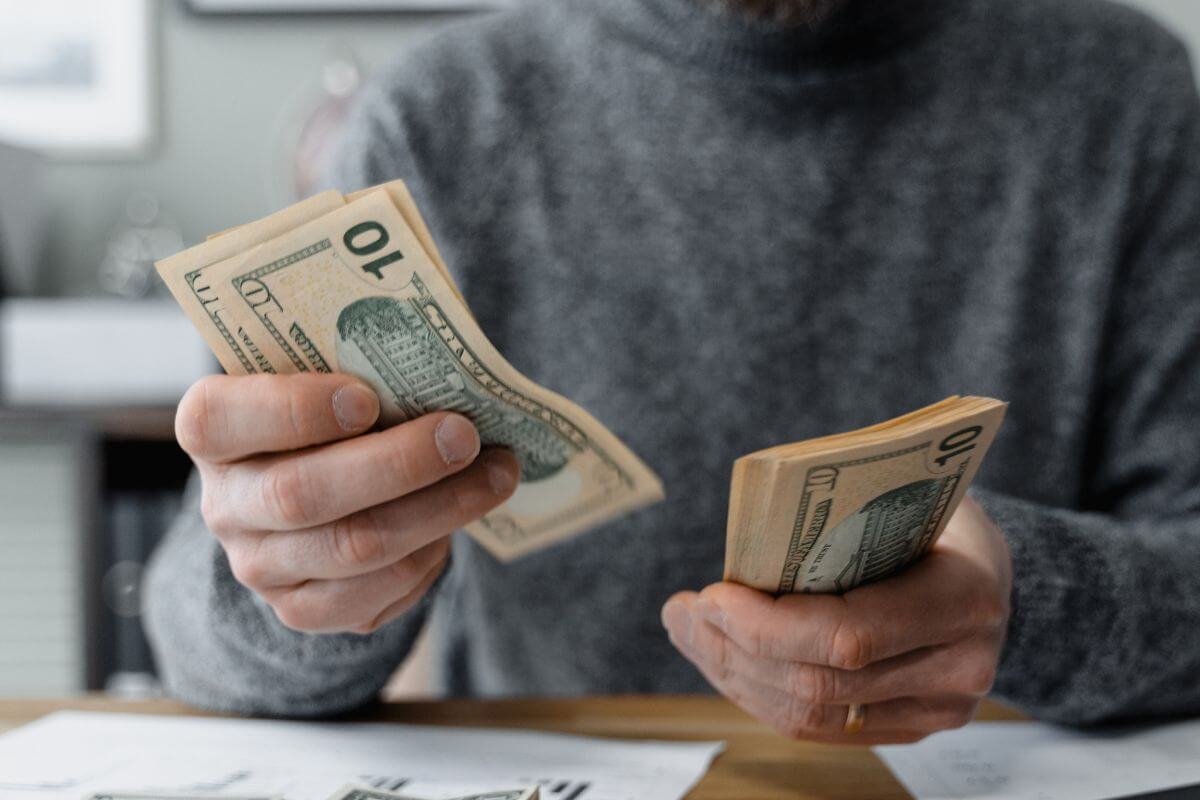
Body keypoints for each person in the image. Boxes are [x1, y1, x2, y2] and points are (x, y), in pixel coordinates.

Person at [145, 0, 1200, 744]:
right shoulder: (435, 118)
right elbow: (199, 632)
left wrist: (1030, 598)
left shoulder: (1123, 96)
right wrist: (296, 579)